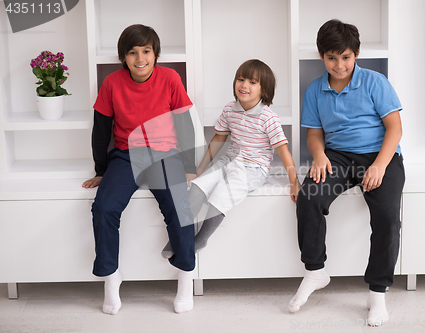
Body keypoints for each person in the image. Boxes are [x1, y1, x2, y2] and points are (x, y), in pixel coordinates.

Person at [288, 19, 405, 327]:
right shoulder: (315, 90)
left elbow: (395, 128)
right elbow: (314, 134)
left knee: (387, 216)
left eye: (345, 57)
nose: (339, 65)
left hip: (380, 155)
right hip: (337, 156)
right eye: (331, 57)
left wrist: (380, 165)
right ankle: (315, 271)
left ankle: (377, 293)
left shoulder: (375, 81)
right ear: (321, 56)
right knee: (309, 196)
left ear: (356, 55)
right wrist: (318, 156)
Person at [82, 24, 197, 315]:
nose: (140, 58)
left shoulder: (170, 78)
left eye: (146, 51)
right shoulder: (111, 83)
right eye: (132, 53)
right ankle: (110, 277)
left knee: (179, 207)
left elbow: (184, 123)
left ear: (156, 54)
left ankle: (185, 277)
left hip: (166, 155)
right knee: (104, 207)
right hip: (126, 155)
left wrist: (188, 165)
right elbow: (101, 129)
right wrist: (101, 170)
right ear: (123, 57)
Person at [161, 59, 300, 258]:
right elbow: (218, 139)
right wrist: (200, 169)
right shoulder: (229, 109)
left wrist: (294, 182)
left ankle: (201, 238)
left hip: (254, 168)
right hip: (228, 160)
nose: (244, 85)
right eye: (241, 79)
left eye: (253, 82)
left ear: (264, 90)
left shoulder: (268, 118)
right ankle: (180, 236)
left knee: (221, 195)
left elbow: (283, 151)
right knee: (198, 188)